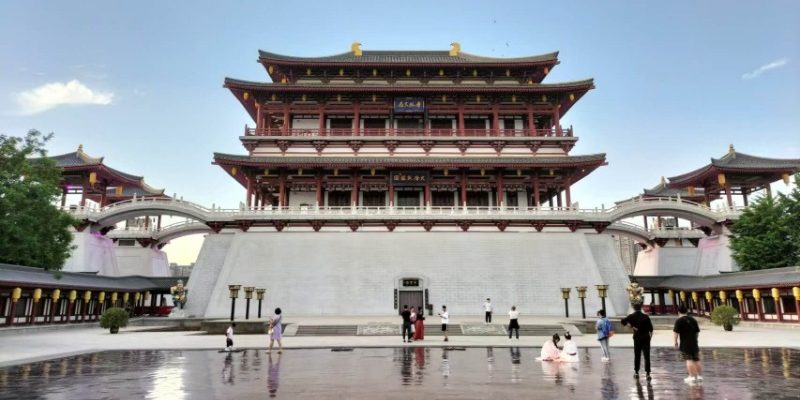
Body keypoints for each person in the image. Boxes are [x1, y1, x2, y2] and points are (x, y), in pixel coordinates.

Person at [621, 302, 654, 380]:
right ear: (641, 307)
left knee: (637, 355)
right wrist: (650, 338)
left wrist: (631, 326)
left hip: (637, 338)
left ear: (634, 308)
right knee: (647, 356)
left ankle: (636, 372)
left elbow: (622, 321)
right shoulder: (646, 317)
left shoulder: (631, 316)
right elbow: (651, 329)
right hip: (646, 338)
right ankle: (648, 373)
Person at [673, 305, 703, 383]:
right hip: (694, 342)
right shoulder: (693, 319)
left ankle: (692, 376)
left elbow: (675, 333)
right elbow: (697, 332)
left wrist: (675, 342)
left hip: (685, 343)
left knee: (688, 359)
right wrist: (695, 339)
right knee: (696, 359)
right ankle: (699, 376)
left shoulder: (679, 320)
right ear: (686, 311)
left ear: (678, 312)